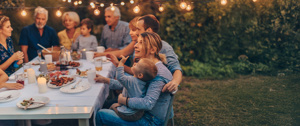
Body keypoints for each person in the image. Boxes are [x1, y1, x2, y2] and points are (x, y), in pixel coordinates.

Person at [96, 32, 173, 125]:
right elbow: (132, 84)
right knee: (107, 106)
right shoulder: (147, 67)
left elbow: (148, 103)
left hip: (150, 120)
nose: (135, 46)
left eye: (141, 43)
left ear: (152, 50)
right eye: (137, 42)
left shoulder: (158, 73)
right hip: (139, 112)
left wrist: (125, 101)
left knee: (101, 115)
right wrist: (105, 80)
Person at [95, 14, 182, 93]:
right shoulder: (139, 44)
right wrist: (118, 65)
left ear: (148, 30)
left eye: (138, 29)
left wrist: (175, 82)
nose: (135, 32)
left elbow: (176, 68)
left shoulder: (164, 47)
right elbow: (137, 75)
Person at [108, 56, 157, 122]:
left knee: (112, 106)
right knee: (116, 104)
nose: (134, 64)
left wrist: (121, 63)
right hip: (138, 113)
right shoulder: (144, 83)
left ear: (140, 75)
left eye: (137, 64)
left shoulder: (131, 80)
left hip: (129, 114)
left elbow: (119, 77)